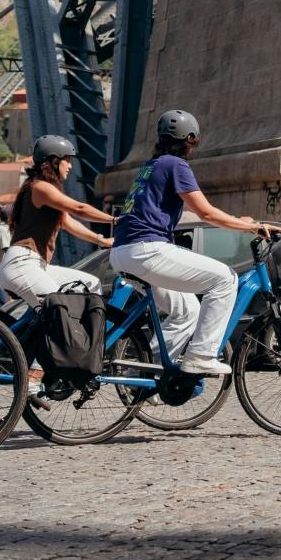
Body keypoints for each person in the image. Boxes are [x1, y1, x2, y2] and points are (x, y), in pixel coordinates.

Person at [109, 111, 263, 376]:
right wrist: (251, 227)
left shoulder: (151, 166)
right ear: (190, 138)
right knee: (225, 280)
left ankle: (144, 374)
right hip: (148, 250)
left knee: (187, 310)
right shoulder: (176, 165)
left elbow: (183, 213)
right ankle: (201, 355)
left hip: (122, 251)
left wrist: (237, 220)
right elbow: (206, 213)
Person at [0, 135, 112, 309]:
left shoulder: (42, 190)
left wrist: (101, 240)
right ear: (54, 161)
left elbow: (67, 222)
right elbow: (79, 209)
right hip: (22, 264)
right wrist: (115, 219)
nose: (70, 166)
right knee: (61, 308)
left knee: (91, 284)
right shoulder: (40, 187)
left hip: (36, 264)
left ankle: (88, 335)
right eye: (67, 160)